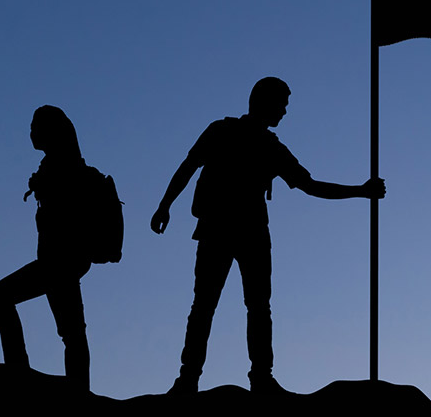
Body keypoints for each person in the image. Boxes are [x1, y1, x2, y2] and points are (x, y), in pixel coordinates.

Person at [150, 76, 383, 395]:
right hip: (221, 228)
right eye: (282, 104)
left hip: (251, 232)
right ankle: (190, 378)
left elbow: (309, 185)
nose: (284, 112)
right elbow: (189, 165)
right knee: (210, 305)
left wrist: (360, 191)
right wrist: (164, 205)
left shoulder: (269, 146)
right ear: (264, 102)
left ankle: (258, 377)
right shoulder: (223, 131)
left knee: (253, 306)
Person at [0, 105, 107, 392]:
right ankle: (75, 388)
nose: (30, 133)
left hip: (60, 261)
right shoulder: (56, 165)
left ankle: (21, 374)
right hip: (61, 260)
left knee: (1, 298)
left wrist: (44, 186)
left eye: (35, 127)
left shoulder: (62, 167)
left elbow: (64, 213)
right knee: (72, 332)